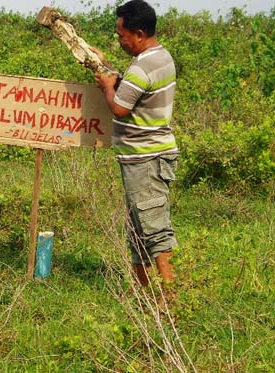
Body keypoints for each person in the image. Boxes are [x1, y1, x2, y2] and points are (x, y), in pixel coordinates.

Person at [93, 0, 178, 288]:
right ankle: (142, 292)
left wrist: (107, 87)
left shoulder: (143, 66)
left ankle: (170, 296)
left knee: (153, 226)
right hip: (143, 158)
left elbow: (119, 107)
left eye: (121, 35)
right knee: (138, 226)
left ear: (139, 34)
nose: (120, 41)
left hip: (146, 159)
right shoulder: (158, 57)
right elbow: (130, 87)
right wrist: (104, 66)